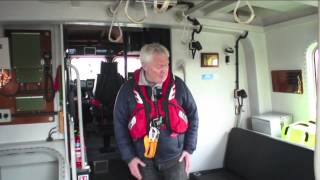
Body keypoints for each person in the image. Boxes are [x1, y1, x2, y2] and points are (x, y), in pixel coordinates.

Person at [113, 43, 199, 180]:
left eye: (166, 65)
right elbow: (119, 125)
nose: (164, 70)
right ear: (144, 66)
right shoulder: (127, 90)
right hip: (143, 161)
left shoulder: (179, 85)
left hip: (175, 159)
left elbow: (193, 115)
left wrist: (189, 149)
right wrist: (129, 158)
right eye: (159, 66)